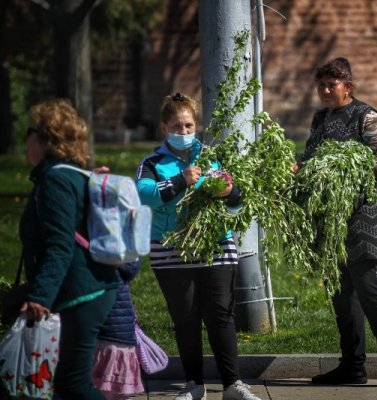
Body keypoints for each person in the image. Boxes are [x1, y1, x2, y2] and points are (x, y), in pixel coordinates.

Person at [135, 92, 261, 400]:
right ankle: (194, 385)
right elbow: (144, 194)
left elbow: (239, 200)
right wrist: (181, 180)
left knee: (221, 314)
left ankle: (233, 385)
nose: (185, 133)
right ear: (164, 128)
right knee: (186, 318)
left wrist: (229, 193)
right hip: (171, 249)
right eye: (177, 127)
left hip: (216, 244)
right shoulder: (152, 162)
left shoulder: (212, 156)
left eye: (190, 126)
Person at [299, 57, 377, 389]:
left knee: (370, 287)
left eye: (330, 85)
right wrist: (297, 169)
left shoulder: (367, 116)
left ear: (348, 87)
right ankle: (352, 366)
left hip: (365, 215)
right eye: (320, 85)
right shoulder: (320, 117)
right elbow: (310, 156)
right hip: (331, 216)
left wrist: (348, 167)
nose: (323, 90)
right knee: (341, 291)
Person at [19, 99, 119, 399]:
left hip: (82, 293)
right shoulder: (68, 174)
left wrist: (40, 297)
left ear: (45, 140)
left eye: (30, 133)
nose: (26, 141)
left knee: (73, 385)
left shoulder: (56, 180)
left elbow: (60, 246)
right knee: (64, 386)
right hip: (84, 289)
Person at [92, 260, 145, 400]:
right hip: (120, 334)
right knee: (118, 391)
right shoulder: (123, 257)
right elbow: (132, 265)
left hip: (108, 333)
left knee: (105, 389)